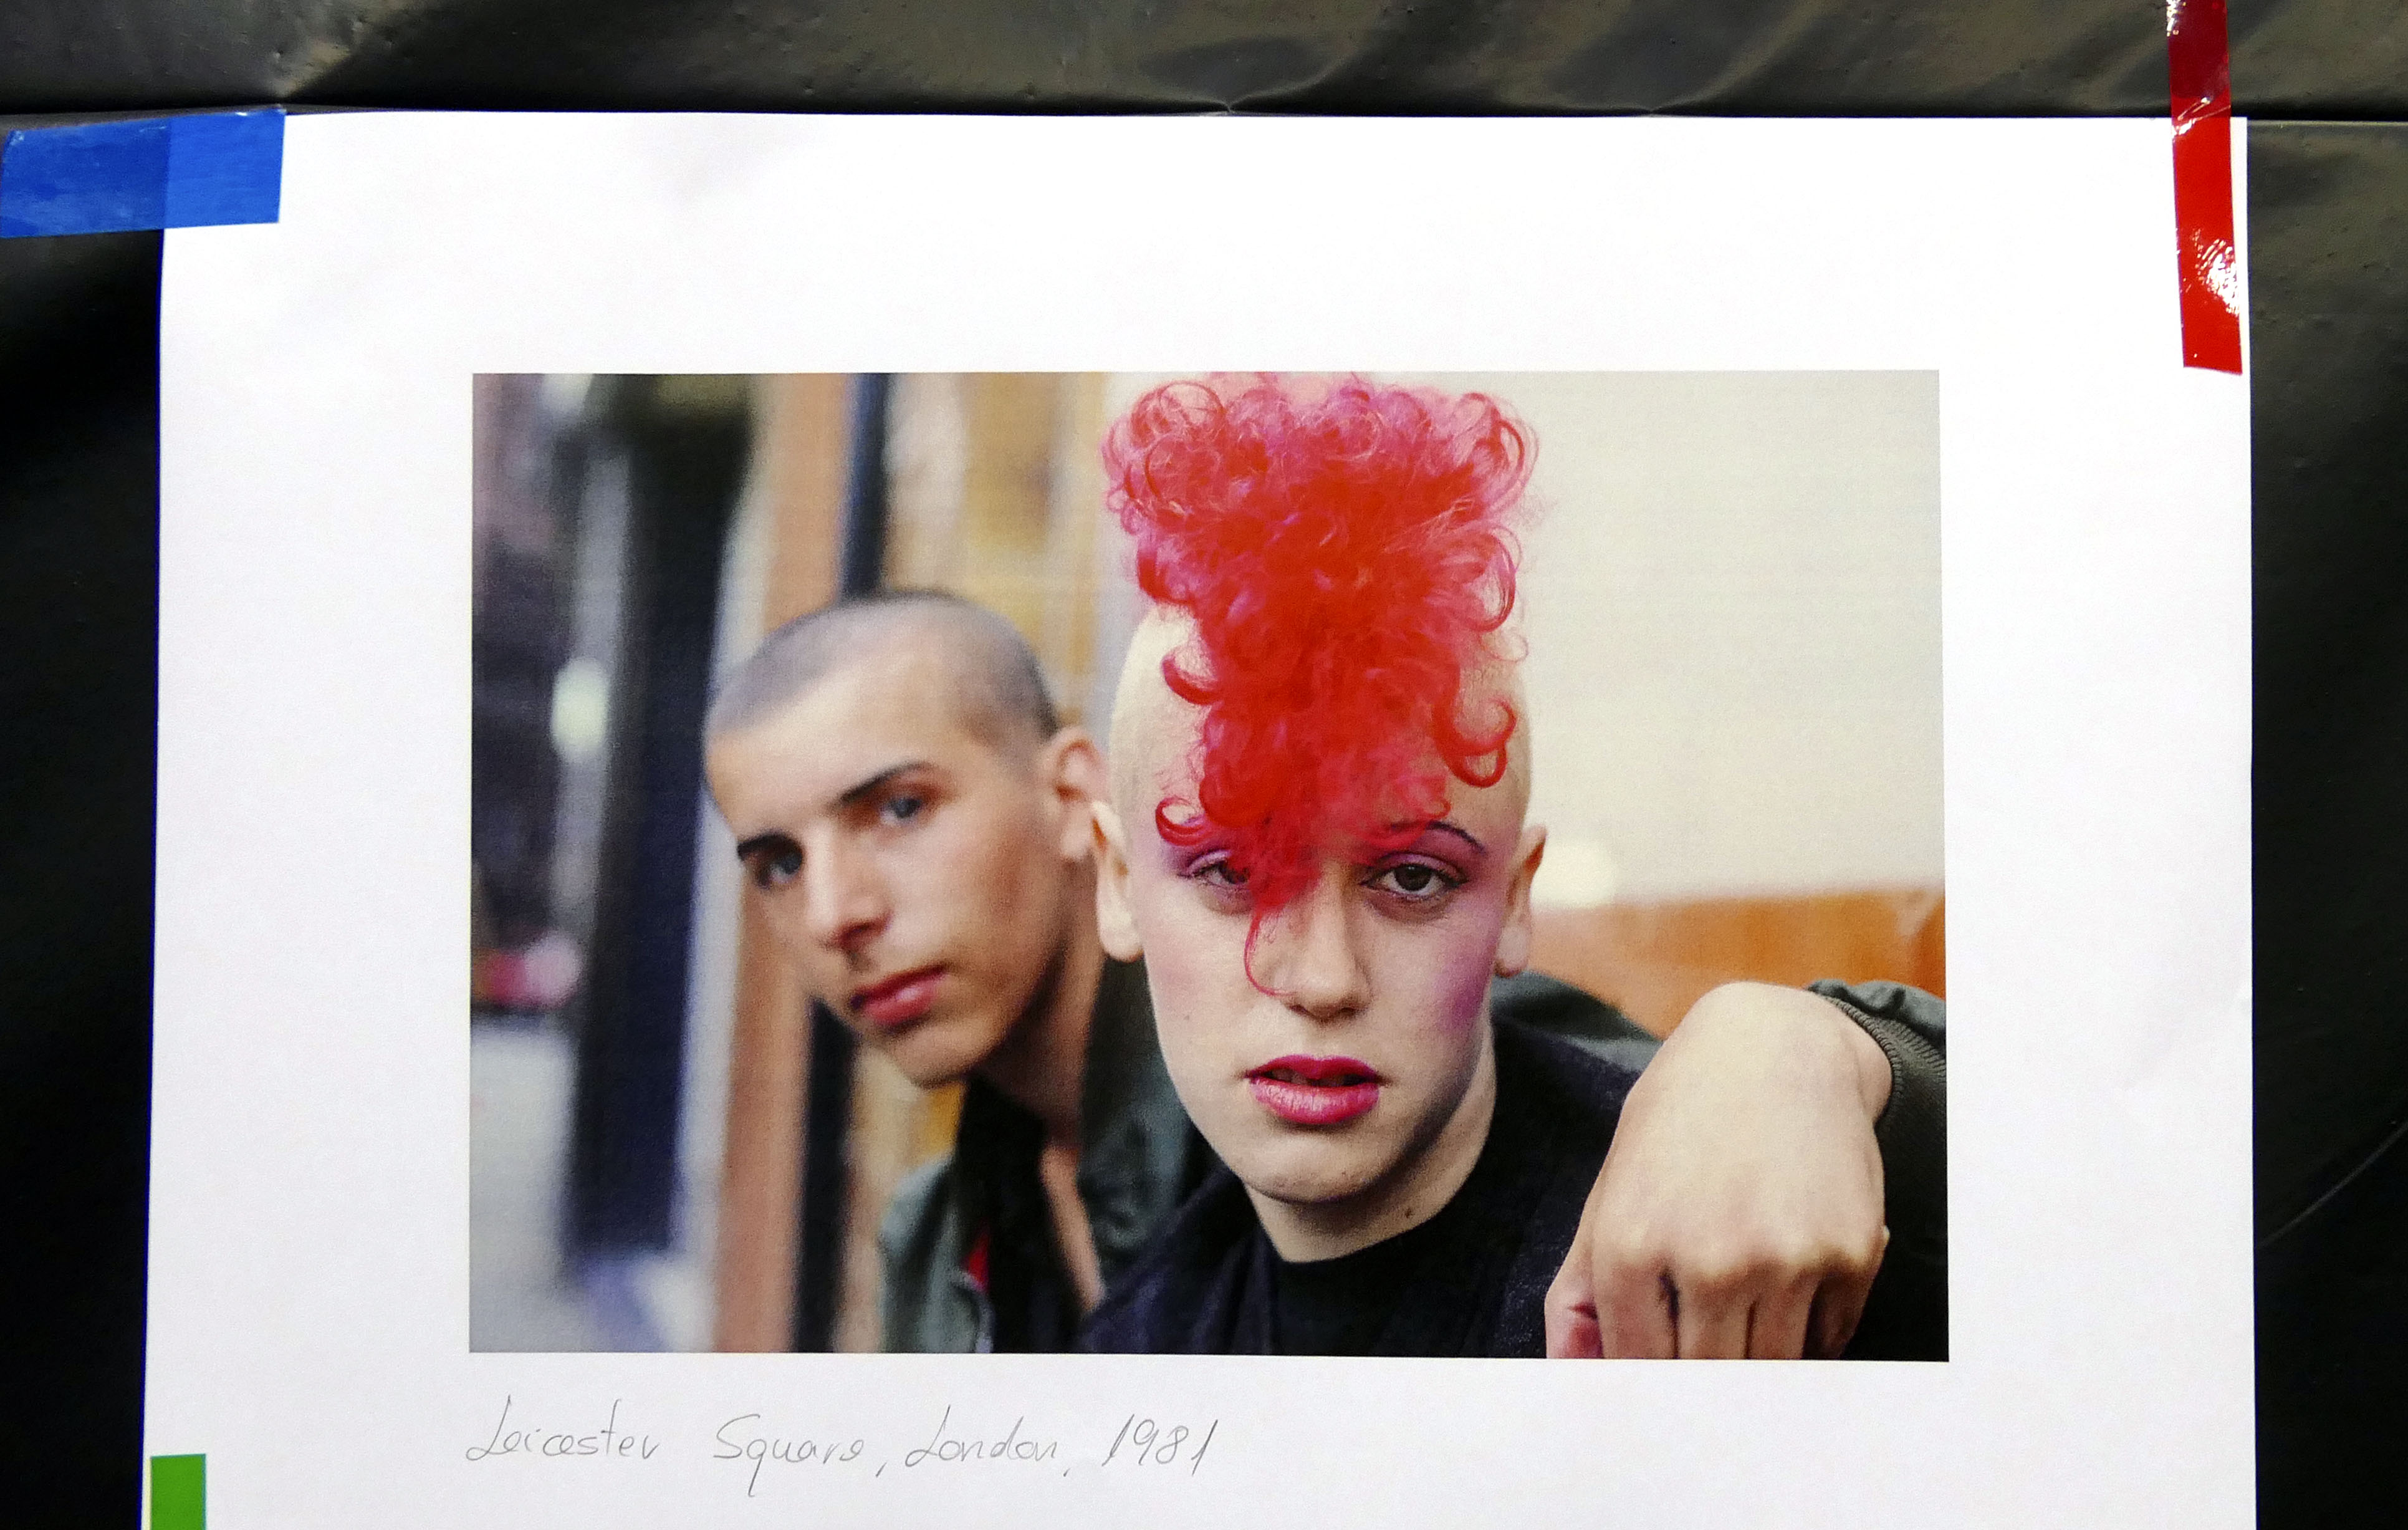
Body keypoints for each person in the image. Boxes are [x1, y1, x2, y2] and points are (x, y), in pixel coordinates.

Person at [703, 472, 1944, 1360]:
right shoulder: (953, 1237)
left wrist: (1803, 1048)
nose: (837, 911)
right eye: (775, 862)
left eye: (900, 807)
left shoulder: (1527, 1120)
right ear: (1121, 875)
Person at [1077, 373, 1936, 1355]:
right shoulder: (1137, 1348)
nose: (1323, 980)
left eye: (1412, 878)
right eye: (1233, 871)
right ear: (1118, 885)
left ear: (1516, 899)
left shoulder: (1709, 1247)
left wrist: (1837, 1055)